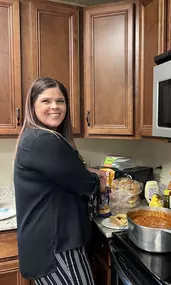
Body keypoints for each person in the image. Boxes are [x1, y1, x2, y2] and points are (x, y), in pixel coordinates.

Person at [13, 77, 106, 285]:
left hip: (47, 242)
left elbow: (64, 174)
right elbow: (83, 183)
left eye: (60, 101)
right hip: (56, 246)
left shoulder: (34, 137)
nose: (55, 107)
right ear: (32, 105)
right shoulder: (43, 141)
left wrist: (83, 171)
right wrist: (97, 179)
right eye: (46, 101)